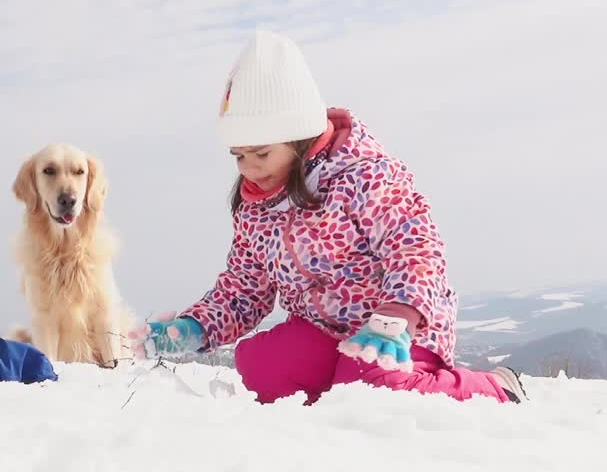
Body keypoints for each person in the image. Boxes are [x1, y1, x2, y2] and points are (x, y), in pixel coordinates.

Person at [132, 31, 528, 405]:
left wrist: (399, 315)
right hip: (325, 333)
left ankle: (494, 388)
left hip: (397, 331)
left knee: (373, 382)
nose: (249, 168)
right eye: (239, 156)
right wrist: (194, 328)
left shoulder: (365, 176)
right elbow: (244, 288)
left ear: (298, 135)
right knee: (262, 364)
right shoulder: (257, 208)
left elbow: (415, 247)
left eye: (261, 153)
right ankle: (340, 406)